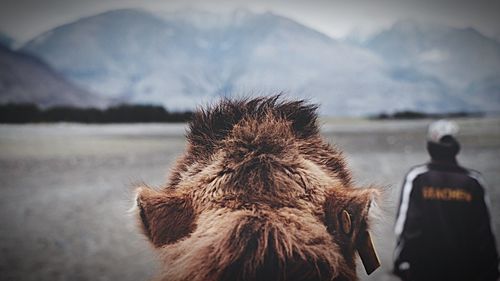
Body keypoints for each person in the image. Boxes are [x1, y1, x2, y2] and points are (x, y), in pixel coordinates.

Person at [393, 120, 499, 281]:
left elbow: (407, 227)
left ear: (430, 146)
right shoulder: (473, 182)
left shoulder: (418, 178)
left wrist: (402, 262)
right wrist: (491, 271)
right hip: (467, 272)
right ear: (456, 148)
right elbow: (484, 234)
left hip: (423, 271)